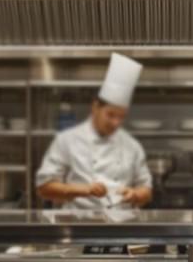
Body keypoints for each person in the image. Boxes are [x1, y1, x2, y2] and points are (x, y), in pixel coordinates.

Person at [36, 53, 153, 210]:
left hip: (122, 227)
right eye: (111, 115)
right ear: (95, 107)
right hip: (78, 225)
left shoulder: (131, 145)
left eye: (121, 117)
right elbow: (44, 188)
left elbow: (146, 190)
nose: (116, 123)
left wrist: (135, 195)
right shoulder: (67, 140)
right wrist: (84, 190)